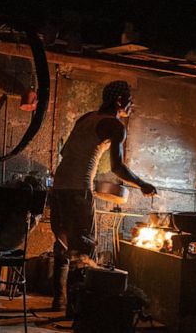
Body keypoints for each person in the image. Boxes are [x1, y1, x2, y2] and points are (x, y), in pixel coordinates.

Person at [49, 80, 158, 311]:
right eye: (129, 99)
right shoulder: (115, 126)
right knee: (83, 250)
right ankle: (77, 311)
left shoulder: (86, 118)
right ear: (119, 101)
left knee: (62, 244)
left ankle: (58, 301)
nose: (131, 104)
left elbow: (66, 152)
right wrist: (142, 184)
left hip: (59, 188)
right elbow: (117, 167)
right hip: (78, 190)